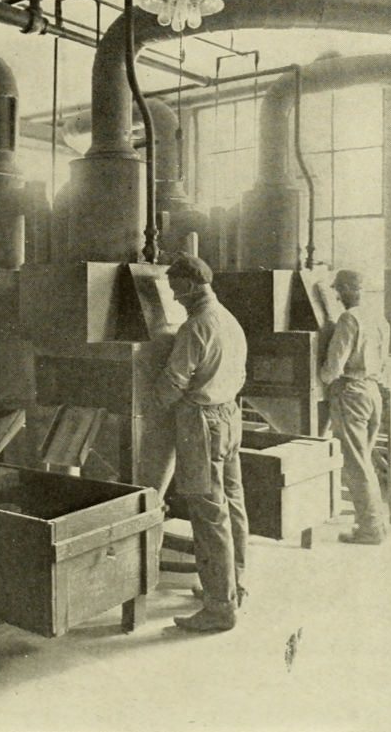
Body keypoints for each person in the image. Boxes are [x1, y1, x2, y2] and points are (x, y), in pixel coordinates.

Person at [157, 253, 249, 633]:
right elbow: (240, 375)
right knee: (232, 504)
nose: (174, 297)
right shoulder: (229, 319)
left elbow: (173, 383)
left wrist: (157, 402)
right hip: (229, 416)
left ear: (190, 285)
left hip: (201, 423)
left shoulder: (195, 327)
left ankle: (219, 607)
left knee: (209, 515)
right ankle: (234, 586)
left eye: (176, 289)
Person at [321, 269, 389, 545]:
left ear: (349, 289)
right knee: (364, 463)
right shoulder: (379, 318)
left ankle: (370, 529)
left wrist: (321, 377)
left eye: (339, 290)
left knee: (356, 466)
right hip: (372, 392)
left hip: (351, 393)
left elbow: (334, 367)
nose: (337, 296)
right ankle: (376, 523)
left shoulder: (349, 318)